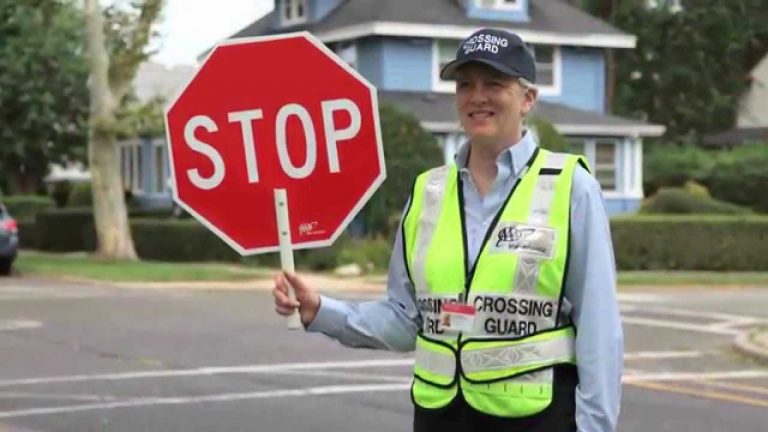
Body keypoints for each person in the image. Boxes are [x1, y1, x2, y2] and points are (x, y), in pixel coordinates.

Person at [273, 28, 623, 432]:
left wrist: (597, 427)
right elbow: (406, 320)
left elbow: (599, 327)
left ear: (528, 99)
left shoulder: (570, 188)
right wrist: (321, 310)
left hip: (536, 418)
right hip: (441, 417)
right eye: (465, 85)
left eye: (494, 83)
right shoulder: (428, 192)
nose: (478, 97)